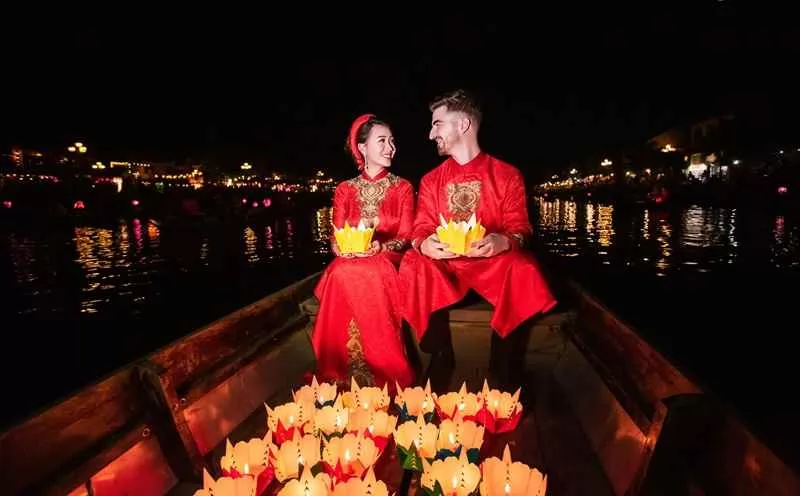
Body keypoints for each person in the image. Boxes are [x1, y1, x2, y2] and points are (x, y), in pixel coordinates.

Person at [398, 89, 557, 386]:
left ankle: (503, 367)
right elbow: (420, 228)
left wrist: (503, 241)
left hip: (490, 266)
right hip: (447, 268)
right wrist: (425, 243)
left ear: (463, 125)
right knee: (414, 261)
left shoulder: (507, 175)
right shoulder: (431, 180)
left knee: (523, 267)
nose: (431, 134)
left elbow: (521, 228)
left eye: (437, 124)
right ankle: (441, 354)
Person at [310, 113, 416, 391]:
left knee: (364, 271)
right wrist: (337, 246)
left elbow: (405, 236)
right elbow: (337, 234)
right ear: (362, 147)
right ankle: (339, 372)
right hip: (352, 259)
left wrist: (382, 246)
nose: (390, 147)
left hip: (388, 258)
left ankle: (386, 375)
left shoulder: (403, 187)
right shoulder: (346, 189)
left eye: (392, 141)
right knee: (342, 270)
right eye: (382, 140)